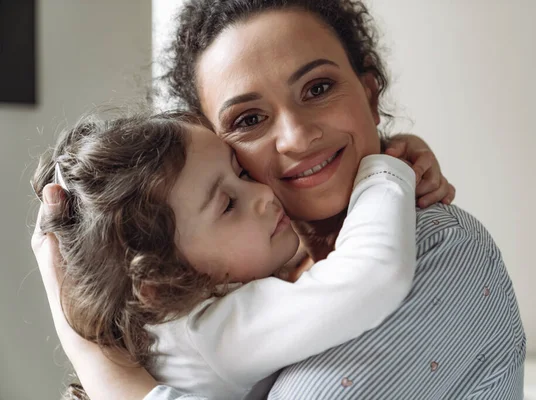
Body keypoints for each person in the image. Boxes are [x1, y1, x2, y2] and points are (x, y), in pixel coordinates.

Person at [32, 0, 525, 399]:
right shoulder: (221, 308)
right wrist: (385, 166)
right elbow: (366, 275)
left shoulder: (438, 247)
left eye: (319, 87)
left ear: (371, 96)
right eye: (248, 120)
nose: (296, 137)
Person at [32, 110, 418, 399]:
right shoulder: (209, 328)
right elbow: (372, 275)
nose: (264, 195)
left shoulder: (171, 332)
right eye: (228, 204)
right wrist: (384, 169)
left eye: (243, 174)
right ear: (158, 283)